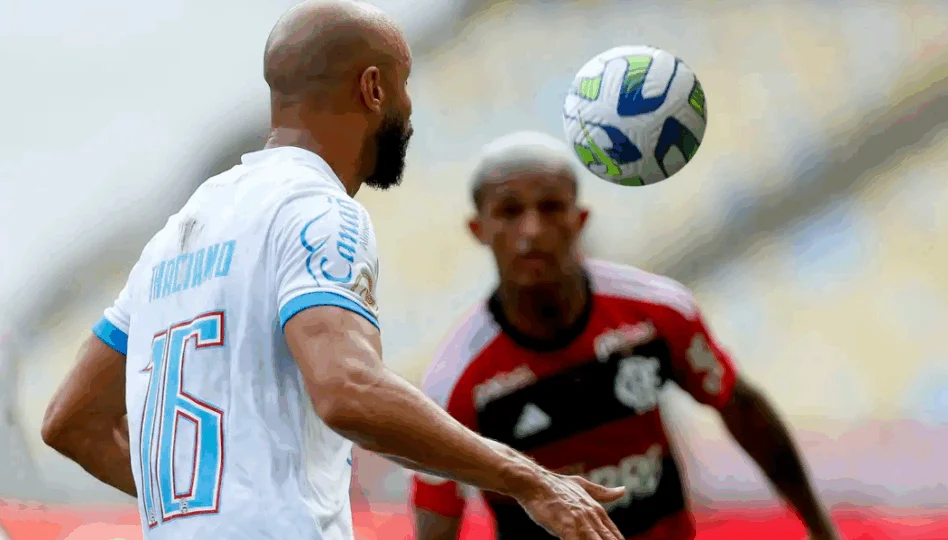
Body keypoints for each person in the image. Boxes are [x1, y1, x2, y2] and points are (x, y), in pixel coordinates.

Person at [39, 3, 626, 540]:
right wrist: (528, 478)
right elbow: (348, 391)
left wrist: (209, 515)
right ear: (374, 88)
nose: (410, 107)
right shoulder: (318, 210)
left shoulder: (177, 233)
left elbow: (72, 420)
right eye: (405, 84)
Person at [411, 132, 842, 540]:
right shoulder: (456, 380)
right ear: (478, 230)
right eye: (509, 212)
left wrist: (822, 530)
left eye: (550, 208)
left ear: (579, 220)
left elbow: (741, 408)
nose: (532, 231)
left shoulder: (657, 312)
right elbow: (437, 512)